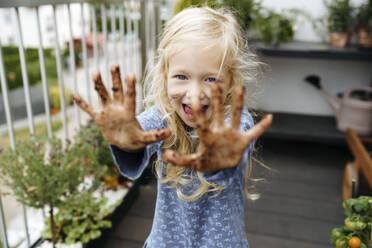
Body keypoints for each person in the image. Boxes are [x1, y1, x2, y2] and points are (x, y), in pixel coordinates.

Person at [72, 6, 273, 248]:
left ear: (231, 82)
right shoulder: (163, 115)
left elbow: (234, 148)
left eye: (210, 79)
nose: (195, 95)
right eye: (181, 77)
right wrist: (127, 142)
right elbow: (140, 134)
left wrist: (222, 159)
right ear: (165, 74)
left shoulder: (236, 123)